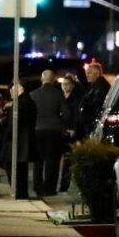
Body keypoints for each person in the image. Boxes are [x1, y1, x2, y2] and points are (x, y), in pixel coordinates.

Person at [0, 83, 37, 199]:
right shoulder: (29, 102)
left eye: (13, 89)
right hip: (16, 141)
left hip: (9, 140)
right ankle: (21, 193)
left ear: (21, 89)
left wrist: (3, 126)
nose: (10, 92)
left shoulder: (20, 103)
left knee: (2, 166)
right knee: (19, 168)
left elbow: (14, 123)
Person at [30, 69, 70, 197]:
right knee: (52, 161)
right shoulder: (58, 95)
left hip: (37, 130)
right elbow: (67, 114)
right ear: (53, 80)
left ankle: (37, 186)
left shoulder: (33, 95)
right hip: (54, 131)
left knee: (38, 161)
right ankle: (49, 188)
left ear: (42, 79)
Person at [58, 74, 84, 192]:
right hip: (60, 130)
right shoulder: (59, 97)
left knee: (68, 159)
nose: (65, 86)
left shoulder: (77, 98)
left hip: (71, 132)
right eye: (63, 84)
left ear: (73, 85)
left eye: (67, 84)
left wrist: (74, 129)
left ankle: (65, 185)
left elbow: (77, 116)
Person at [79, 62, 110, 138]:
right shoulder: (95, 86)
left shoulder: (101, 87)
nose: (87, 75)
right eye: (86, 73)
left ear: (97, 74)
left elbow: (96, 104)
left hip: (94, 124)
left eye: (89, 73)